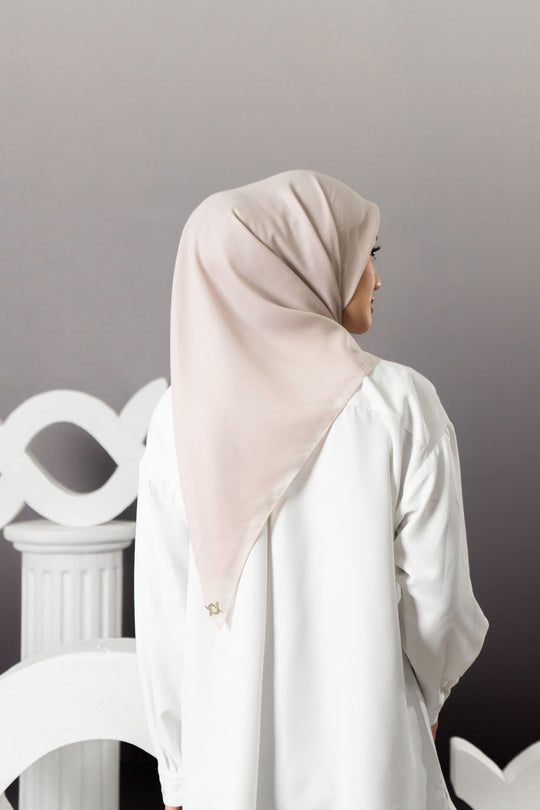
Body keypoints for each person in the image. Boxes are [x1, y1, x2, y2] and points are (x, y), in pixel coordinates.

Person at [133, 169, 489, 810]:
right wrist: (429, 695)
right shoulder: (400, 405)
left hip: (227, 768)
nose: (376, 278)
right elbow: (439, 607)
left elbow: (165, 616)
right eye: (364, 255)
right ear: (299, 264)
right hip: (371, 761)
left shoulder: (179, 419)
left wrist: (180, 770)